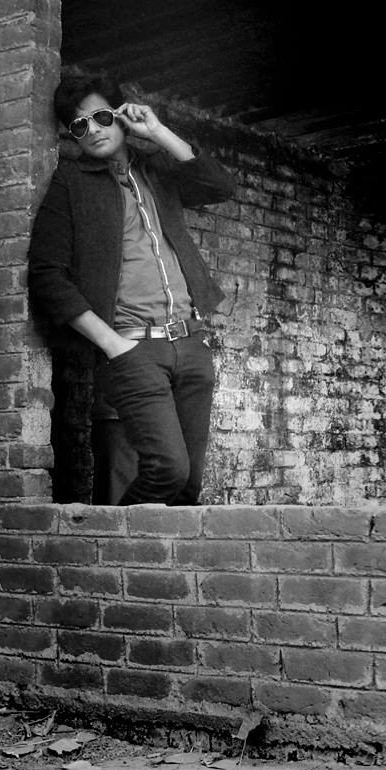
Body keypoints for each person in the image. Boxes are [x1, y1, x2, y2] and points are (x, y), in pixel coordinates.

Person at [28, 74, 235, 506]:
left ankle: (148, 554)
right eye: (79, 125)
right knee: (168, 470)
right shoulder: (72, 182)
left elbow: (220, 186)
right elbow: (47, 275)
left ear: (121, 116)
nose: (93, 129)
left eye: (101, 117)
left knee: (189, 488)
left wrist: (156, 131)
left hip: (191, 343)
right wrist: (113, 345)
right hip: (132, 348)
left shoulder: (156, 168)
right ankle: (109, 542)